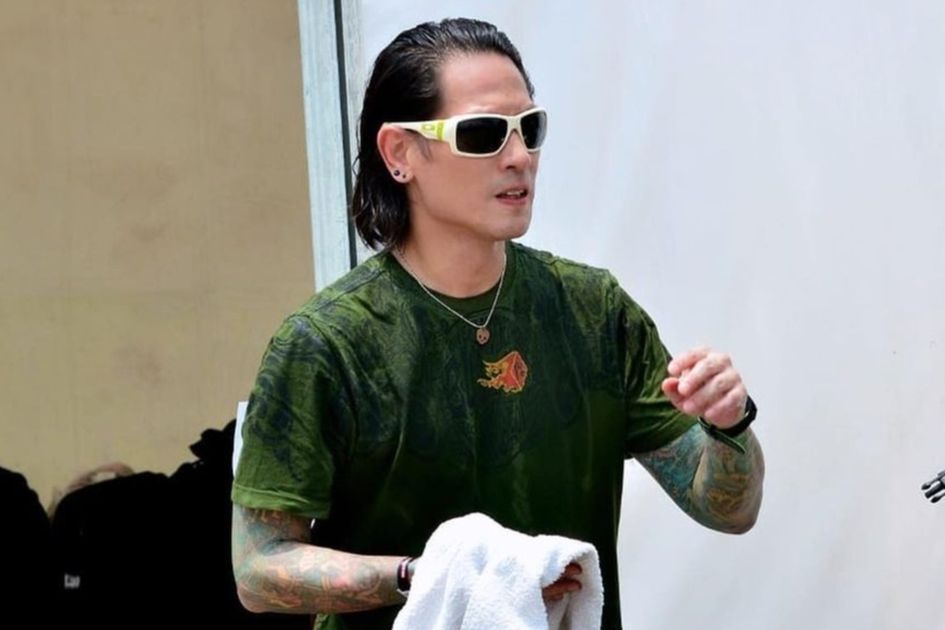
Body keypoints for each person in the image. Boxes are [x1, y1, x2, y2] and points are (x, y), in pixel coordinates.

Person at [231, 17, 765, 630]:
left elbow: (727, 509)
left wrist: (731, 424)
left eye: (529, 129)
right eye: (483, 134)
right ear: (400, 153)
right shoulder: (327, 343)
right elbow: (259, 569)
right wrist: (430, 574)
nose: (519, 157)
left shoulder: (593, 311)